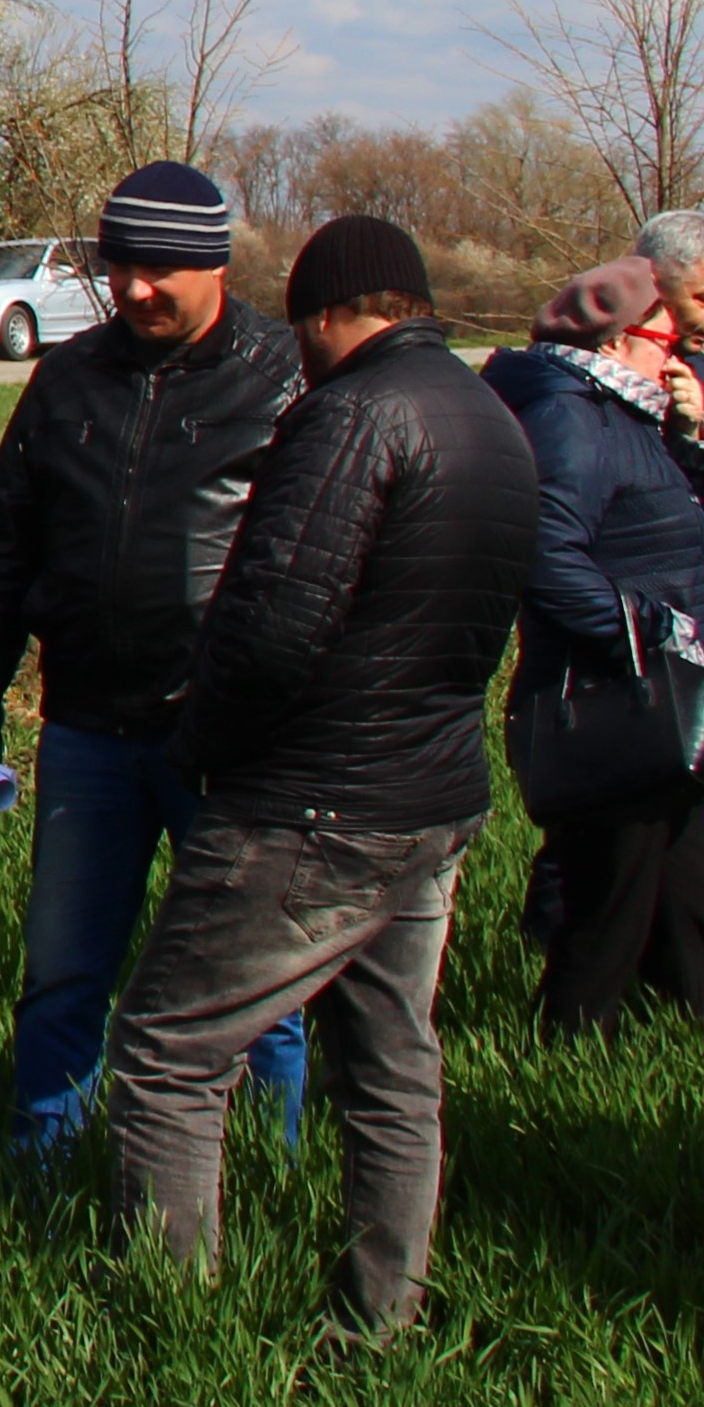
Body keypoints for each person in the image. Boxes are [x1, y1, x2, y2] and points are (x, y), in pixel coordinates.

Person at [109, 215, 536, 1337]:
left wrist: (198, 742)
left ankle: (167, 1321)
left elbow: (273, 628)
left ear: (320, 313)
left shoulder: (347, 416)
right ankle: (380, 1314)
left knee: (168, 1048)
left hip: (312, 798)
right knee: (391, 1062)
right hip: (433, 795)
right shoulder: (490, 417)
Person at [0, 161, 310, 1163]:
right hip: (88, 731)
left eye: (161, 269)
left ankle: (263, 1168)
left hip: (228, 738)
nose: (136, 289)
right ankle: (45, 1163)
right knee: (65, 969)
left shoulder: (280, 376)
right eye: (121, 267)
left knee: (257, 984)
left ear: (217, 264)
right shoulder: (68, 377)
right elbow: (0, 550)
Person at [486, 256, 704, 1033]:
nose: (679, 352)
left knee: (679, 894)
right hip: (614, 701)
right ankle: (563, 1060)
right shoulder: (569, 418)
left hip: (657, 696)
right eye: (664, 334)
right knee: (607, 910)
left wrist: (692, 440)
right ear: (612, 342)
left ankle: (695, 1035)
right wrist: (641, 627)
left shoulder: (627, 410)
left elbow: (668, 522)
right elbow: (544, 555)